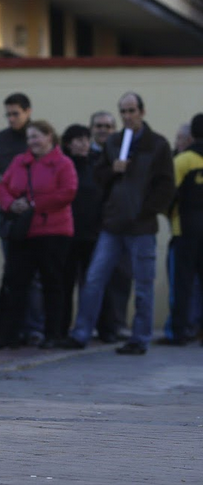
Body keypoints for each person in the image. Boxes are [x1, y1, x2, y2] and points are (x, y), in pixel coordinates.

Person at [63, 92, 174, 355]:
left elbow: (166, 186)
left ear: (142, 112)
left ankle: (139, 338)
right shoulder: (114, 142)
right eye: (123, 111)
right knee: (94, 278)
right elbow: (98, 176)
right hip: (113, 226)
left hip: (141, 226)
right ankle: (81, 333)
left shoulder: (157, 144)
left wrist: (146, 212)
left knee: (143, 284)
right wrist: (113, 168)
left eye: (131, 110)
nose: (127, 116)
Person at [0, 120, 77, 349]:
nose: (32, 142)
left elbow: (67, 192)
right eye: (29, 138)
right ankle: (9, 334)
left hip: (53, 232)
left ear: (49, 137)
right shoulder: (20, 162)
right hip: (23, 232)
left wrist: (34, 204)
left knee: (52, 284)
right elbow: (2, 187)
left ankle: (52, 333)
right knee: (15, 283)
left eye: (36, 136)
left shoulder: (63, 163)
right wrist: (10, 204)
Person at [0, 92, 45, 346]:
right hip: (9, 220)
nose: (11, 119)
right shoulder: (0, 140)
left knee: (36, 279)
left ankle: (36, 328)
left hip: (37, 220)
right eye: (7, 114)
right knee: (13, 276)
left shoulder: (40, 138)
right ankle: (15, 328)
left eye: (15, 114)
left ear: (28, 112)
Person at [59, 124, 118, 342]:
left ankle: (106, 329)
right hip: (66, 234)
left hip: (94, 233)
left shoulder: (96, 164)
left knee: (97, 282)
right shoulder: (63, 166)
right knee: (65, 284)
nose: (83, 143)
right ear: (68, 143)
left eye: (86, 139)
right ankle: (60, 329)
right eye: (78, 140)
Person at [88, 110, 132, 338]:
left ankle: (116, 324)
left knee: (120, 276)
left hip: (117, 223)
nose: (103, 129)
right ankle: (93, 324)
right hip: (89, 225)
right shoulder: (85, 156)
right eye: (98, 125)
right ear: (92, 129)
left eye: (108, 125)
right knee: (92, 277)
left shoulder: (124, 155)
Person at [166, 114, 203, 345]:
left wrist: (171, 217)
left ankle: (179, 333)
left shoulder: (183, 160)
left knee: (183, 283)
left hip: (185, 229)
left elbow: (168, 195)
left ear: (192, 134)